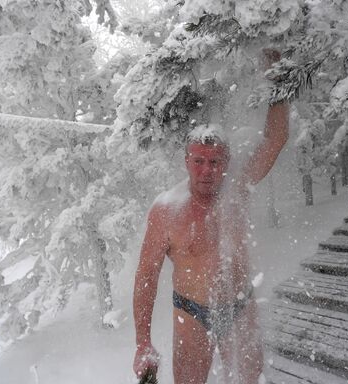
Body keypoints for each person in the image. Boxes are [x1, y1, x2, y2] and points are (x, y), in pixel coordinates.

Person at [132, 50, 289, 384]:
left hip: (240, 306)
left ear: (227, 162)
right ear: (186, 161)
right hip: (191, 312)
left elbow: (275, 140)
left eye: (215, 162)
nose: (206, 170)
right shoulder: (166, 210)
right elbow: (146, 277)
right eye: (199, 161)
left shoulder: (238, 189)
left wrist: (279, 78)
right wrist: (142, 342)